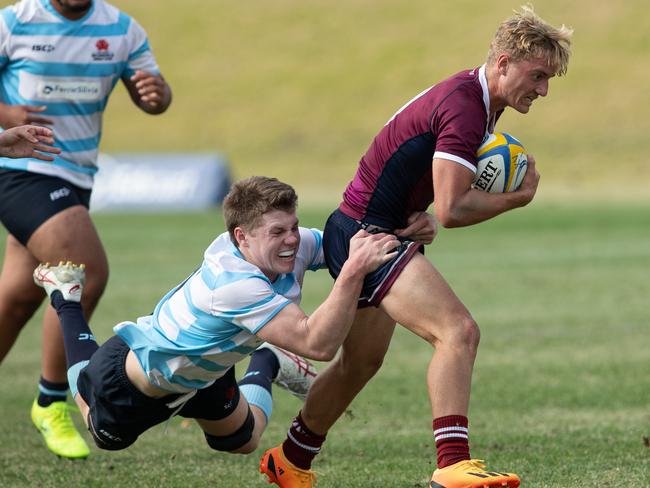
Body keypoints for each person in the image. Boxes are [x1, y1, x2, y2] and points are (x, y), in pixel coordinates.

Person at [261, 6, 572, 488]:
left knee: (360, 363)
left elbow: (424, 187)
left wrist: (417, 209)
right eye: (538, 76)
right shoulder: (468, 106)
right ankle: (452, 465)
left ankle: (289, 460)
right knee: (458, 332)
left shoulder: (478, 100)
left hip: (373, 227)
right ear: (504, 62)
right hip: (369, 234)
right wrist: (517, 198)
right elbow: (453, 209)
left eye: (550, 80)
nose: (544, 90)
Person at [30, 176, 402, 468]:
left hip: (205, 370)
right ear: (242, 236)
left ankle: (267, 360)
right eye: (278, 232)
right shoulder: (235, 285)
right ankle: (67, 298)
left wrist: (404, 230)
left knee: (244, 441)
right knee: (100, 426)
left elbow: (341, 244)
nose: (293, 240)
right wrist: (353, 270)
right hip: (138, 379)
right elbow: (318, 345)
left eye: (294, 226)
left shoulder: (275, 244)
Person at [0, 0, 172, 459]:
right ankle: (51, 401)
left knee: (16, 300)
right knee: (84, 271)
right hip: (17, 170)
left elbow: (152, 93)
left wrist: (155, 95)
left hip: (77, 177)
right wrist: (5, 114)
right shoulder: (13, 22)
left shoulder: (121, 29)